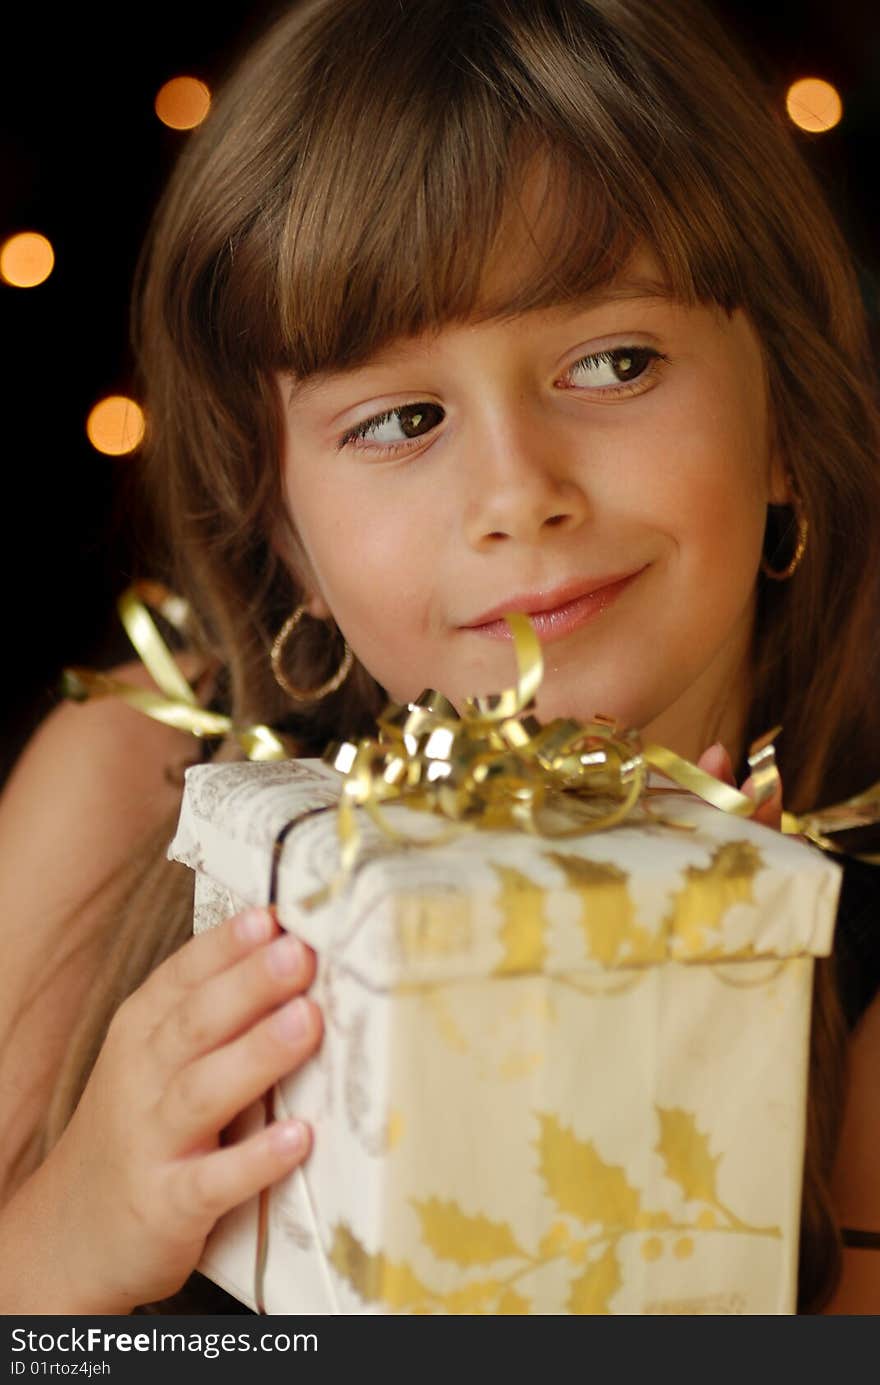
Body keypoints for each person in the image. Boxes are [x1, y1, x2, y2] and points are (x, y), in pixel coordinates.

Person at [0, 0, 878, 1316]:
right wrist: (61, 1241)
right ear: (281, 521)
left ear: (788, 421)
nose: (517, 493)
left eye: (615, 361)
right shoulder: (127, 783)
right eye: (403, 417)